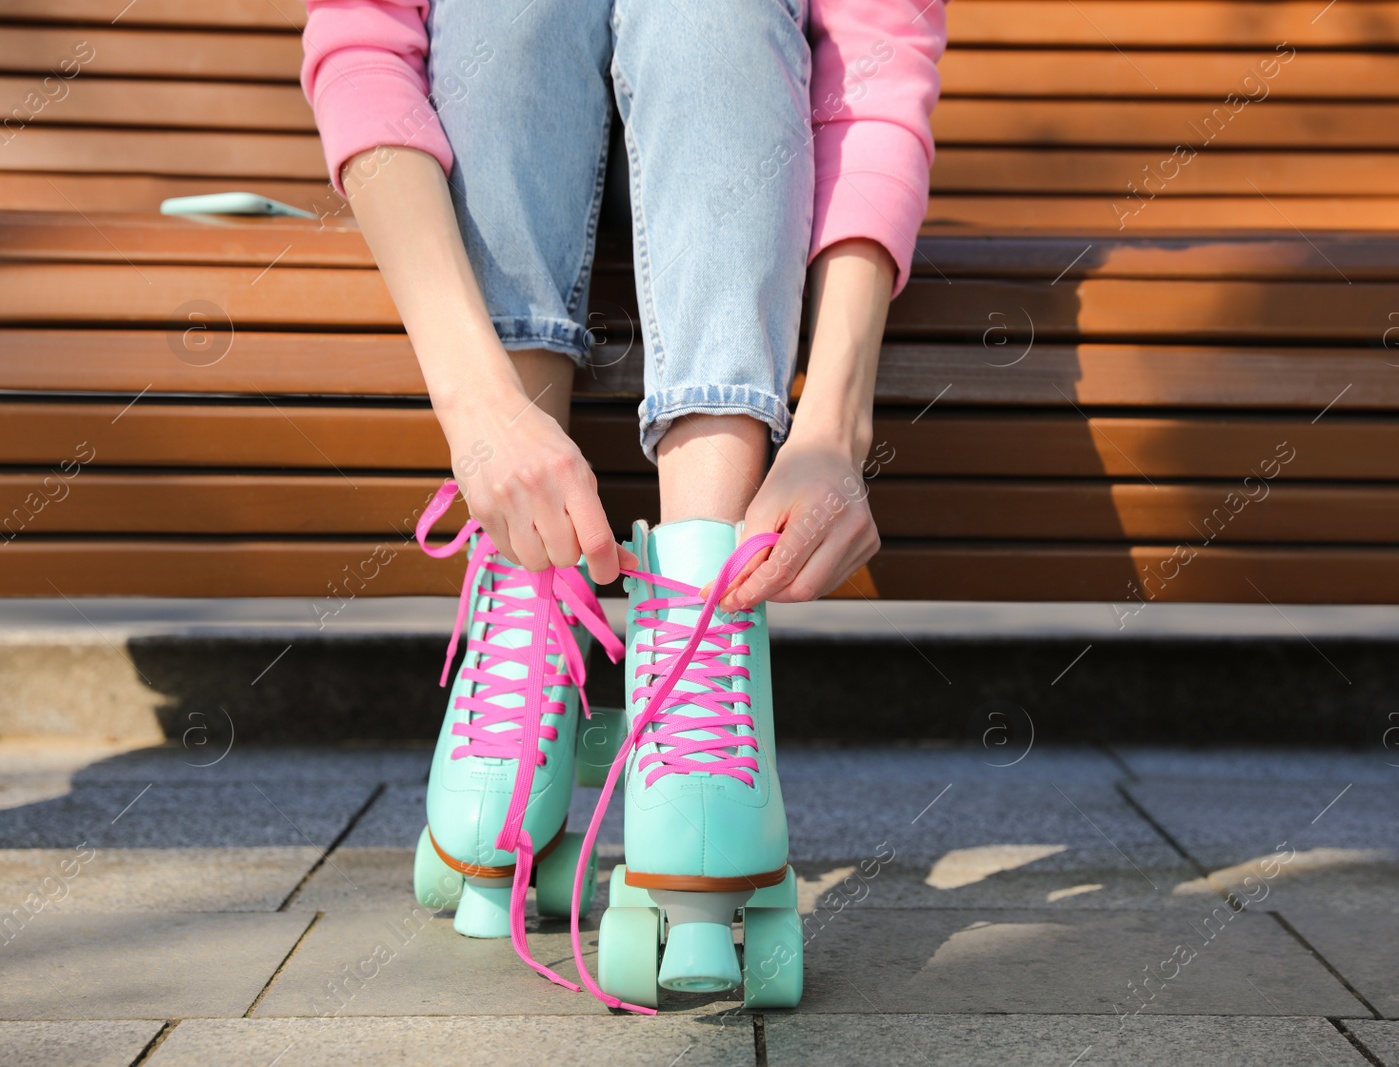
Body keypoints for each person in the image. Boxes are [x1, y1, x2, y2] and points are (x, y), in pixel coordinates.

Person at [300, 0, 944, 1011]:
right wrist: (483, 418)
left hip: (735, 151)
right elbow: (366, 45)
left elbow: (873, 68)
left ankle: (703, 597)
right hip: (503, 166)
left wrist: (832, 429)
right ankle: (525, 565)